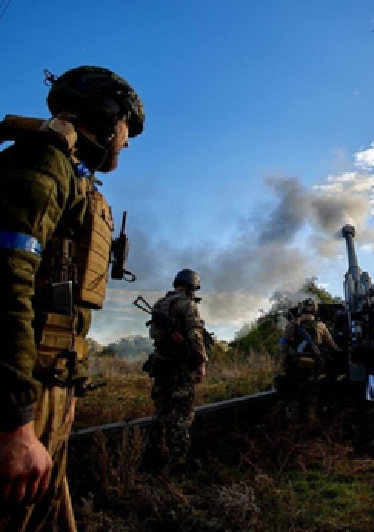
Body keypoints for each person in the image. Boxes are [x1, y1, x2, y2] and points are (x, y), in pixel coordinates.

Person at [0, 66, 145, 531]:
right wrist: (15, 421)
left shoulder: (77, 179)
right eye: (126, 129)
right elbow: (6, 284)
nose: (125, 143)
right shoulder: (42, 165)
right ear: (107, 115)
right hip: (23, 401)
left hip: (51, 391)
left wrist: (69, 387)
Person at [144, 269, 208, 473]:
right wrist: (200, 363)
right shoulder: (187, 305)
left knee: (162, 412)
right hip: (180, 368)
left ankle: (155, 456)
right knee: (182, 415)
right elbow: (195, 336)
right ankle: (178, 462)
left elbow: (154, 334)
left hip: (161, 365)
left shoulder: (160, 304)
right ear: (192, 287)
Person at [281, 298, 340, 371]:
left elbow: (283, 341)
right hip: (316, 360)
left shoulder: (290, 325)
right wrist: (338, 351)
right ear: (315, 310)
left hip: (296, 359)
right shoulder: (321, 325)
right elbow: (332, 344)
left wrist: (284, 355)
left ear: (301, 309)